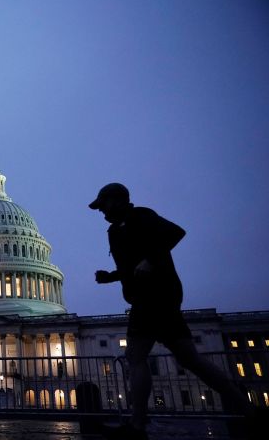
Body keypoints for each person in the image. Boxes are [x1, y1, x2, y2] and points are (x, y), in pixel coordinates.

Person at [89, 183, 252, 440]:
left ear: (118, 200)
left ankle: (137, 426)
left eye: (103, 205)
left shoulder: (141, 216)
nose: (101, 211)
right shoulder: (115, 231)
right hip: (153, 297)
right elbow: (132, 264)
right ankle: (249, 411)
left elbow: (175, 233)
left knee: (135, 356)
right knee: (190, 359)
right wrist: (111, 276)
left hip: (155, 295)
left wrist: (151, 260)